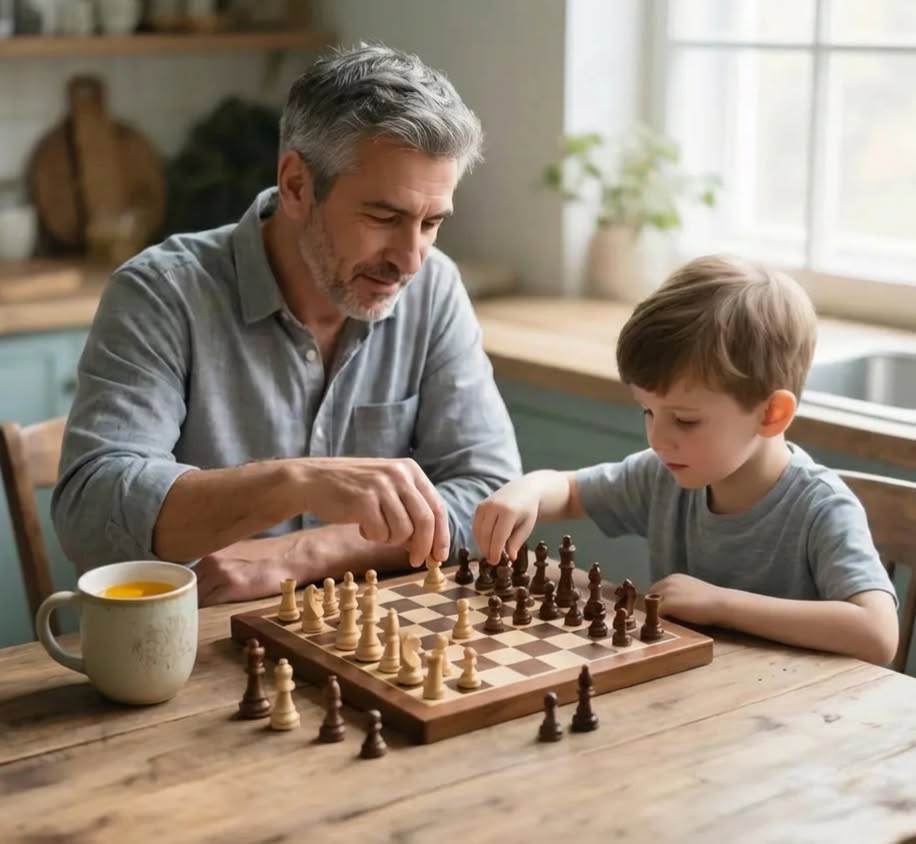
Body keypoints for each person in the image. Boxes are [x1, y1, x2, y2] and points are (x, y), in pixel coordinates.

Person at [52, 44, 521, 606]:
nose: (411, 258)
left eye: (431, 223)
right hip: (199, 651)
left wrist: (304, 554)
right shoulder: (162, 292)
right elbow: (92, 517)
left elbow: (492, 499)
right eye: (384, 217)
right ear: (297, 185)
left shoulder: (434, 287)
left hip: (375, 643)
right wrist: (293, 482)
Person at [473, 255, 899, 665]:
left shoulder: (821, 508)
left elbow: (878, 634)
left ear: (771, 414)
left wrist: (720, 604)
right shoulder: (662, 477)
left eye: (685, 420)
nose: (658, 438)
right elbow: (568, 492)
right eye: (648, 411)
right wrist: (527, 489)